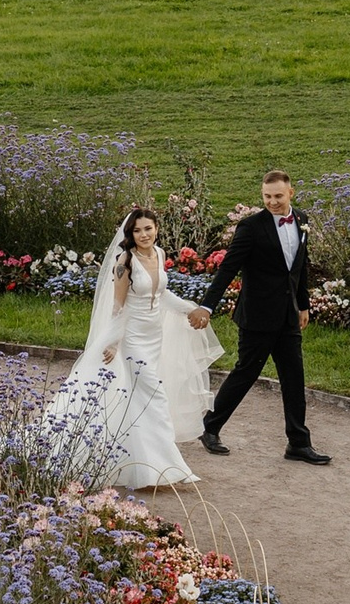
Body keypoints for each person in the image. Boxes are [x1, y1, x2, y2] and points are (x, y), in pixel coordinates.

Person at [50, 207, 222, 489]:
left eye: (148, 229)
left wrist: (189, 309)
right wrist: (114, 342)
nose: (144, 235)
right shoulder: (125, 262)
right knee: (154, 396)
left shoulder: (159, 254)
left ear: (156, 228)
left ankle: (138, 464)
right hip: (131, 338)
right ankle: (166, 467)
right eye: (137, 230)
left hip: (154, 337)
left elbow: (161, 294)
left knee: (137, 401)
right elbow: (118, 307)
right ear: (130, 234)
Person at [194, 171, 328, 465]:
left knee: (294, 376)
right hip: (257, 315)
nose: (272, 202)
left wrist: (303, 305)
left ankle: (298, 443)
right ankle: (210, 427)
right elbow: (227, 269)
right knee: (246, 372)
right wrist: (206, 307)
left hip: (289, 315)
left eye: (278, 196)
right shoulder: (251, 227)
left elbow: (300, 268)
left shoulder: (302, 220)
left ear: (291, 193)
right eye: (267, 197)